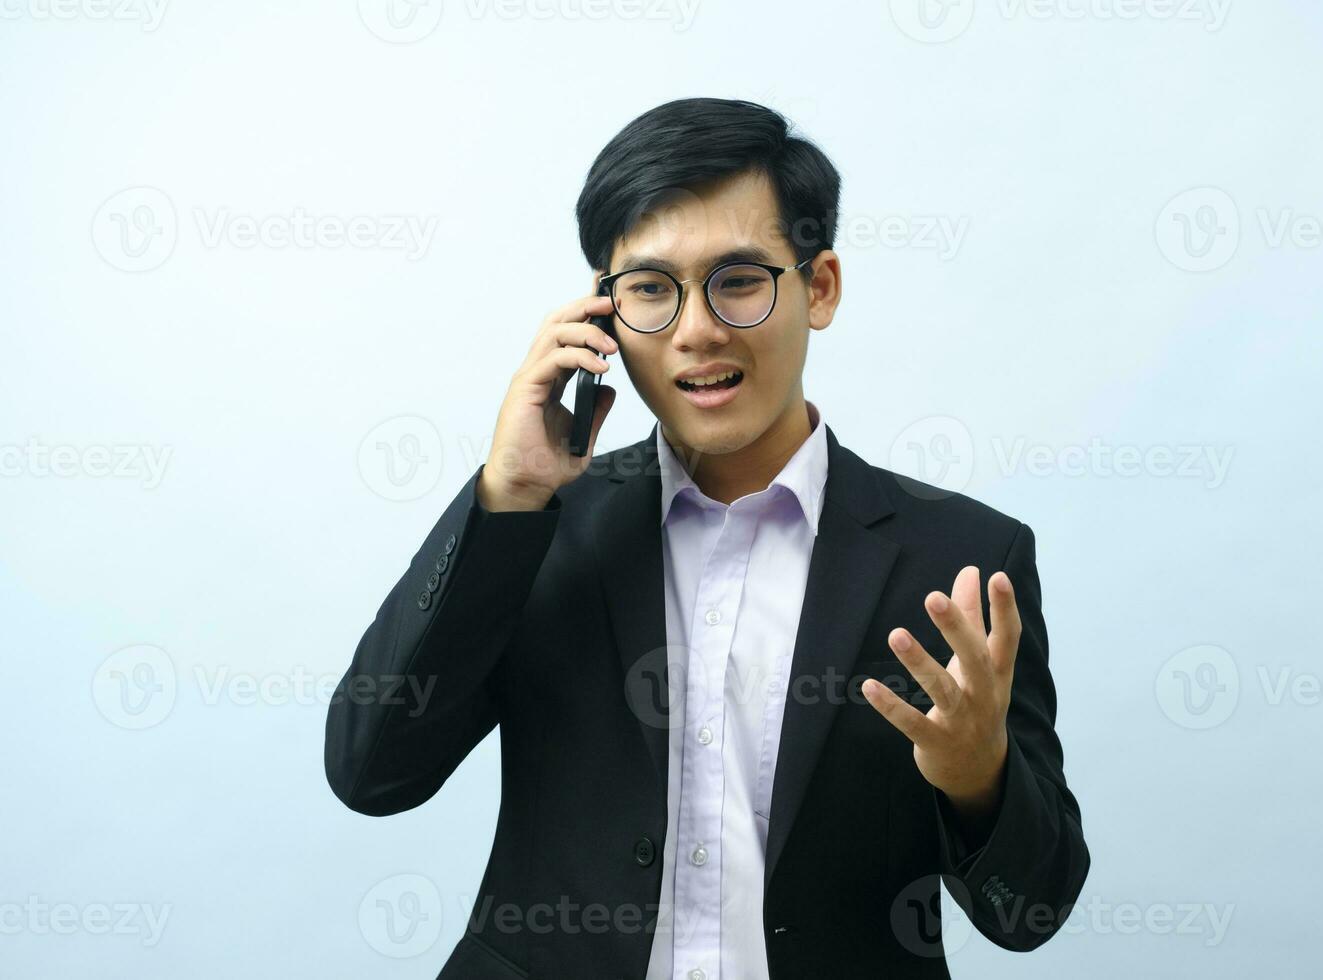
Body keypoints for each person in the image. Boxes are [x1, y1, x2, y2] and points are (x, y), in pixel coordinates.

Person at [324, 96, 1089, 979]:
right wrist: (509, 495)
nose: (696, 330)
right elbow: (371, 774)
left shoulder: (962, 560)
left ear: (821, 286)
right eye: (650, 288)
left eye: (739, 279)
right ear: (602, 315)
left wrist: (978, 774)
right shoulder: (538, 528)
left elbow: (1032, 913)